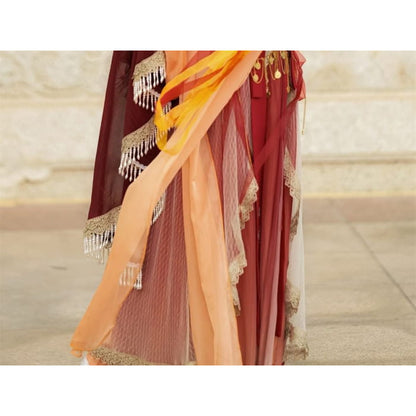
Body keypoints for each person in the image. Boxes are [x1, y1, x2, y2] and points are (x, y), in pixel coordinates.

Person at [72, 51, 308, 365]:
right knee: (200, 199)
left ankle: (250, 350)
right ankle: (213, 346)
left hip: (265, 69)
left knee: (249, 203)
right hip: (218, 67)